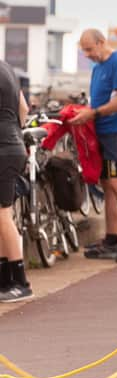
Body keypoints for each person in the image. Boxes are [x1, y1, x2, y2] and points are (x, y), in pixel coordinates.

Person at [70, 29, 117, 262]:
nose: (88, 54)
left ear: (102, 43)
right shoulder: (97, 69)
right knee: (107, 184)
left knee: (116, 180)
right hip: (102, 131)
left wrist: (93, 113)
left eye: (90, 49)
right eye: (84, 51)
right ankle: (112, 238)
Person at [0, 60, 32, 303]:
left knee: (3, 214)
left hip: (2, 149)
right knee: (2, 214)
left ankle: (20, 282)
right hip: (13, 146)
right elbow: (24, 108)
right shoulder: (7, 68)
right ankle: (6, 279)